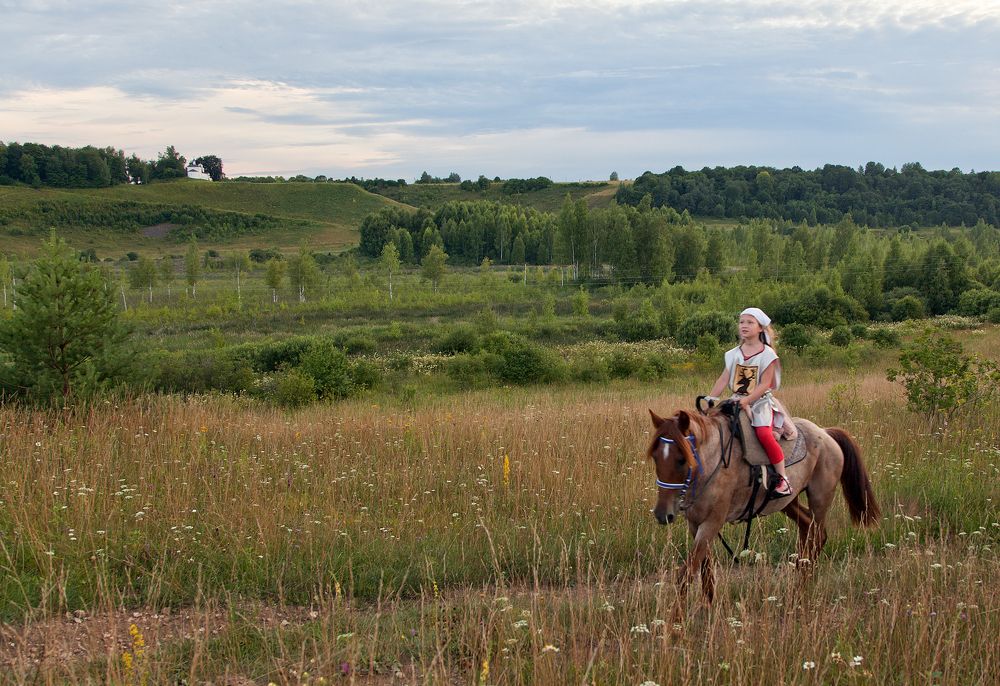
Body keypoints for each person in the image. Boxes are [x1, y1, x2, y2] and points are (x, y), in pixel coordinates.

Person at [706, 307, 793, 496]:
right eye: (741, 322)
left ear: (761, 328)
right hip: (736, 400)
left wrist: (747, 401)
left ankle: (783, 478)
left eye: (749, 322)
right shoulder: (732, 354)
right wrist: (710, 399)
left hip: (759, 402)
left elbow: (765, 384)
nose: (744, 326)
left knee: (763, 433)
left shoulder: (768, 355)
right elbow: (723, 379)